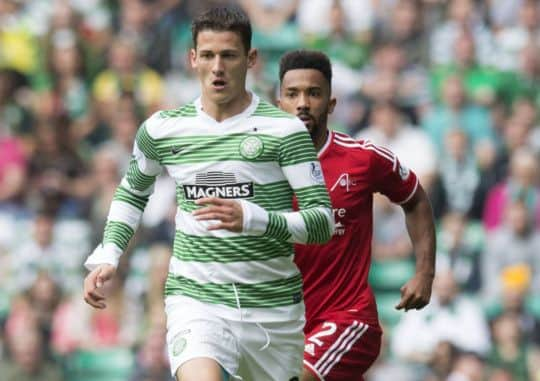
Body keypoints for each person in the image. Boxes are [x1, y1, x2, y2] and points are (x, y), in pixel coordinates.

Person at [82, 7, 334, 381]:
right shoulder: (162, 129)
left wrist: (252, 218)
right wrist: (110, 252)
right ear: (193, 58)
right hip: (196, 300)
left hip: (272, 310)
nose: (218, 66)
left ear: (250, 59)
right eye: (209, 55)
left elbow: (321, 223)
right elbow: (133, 193)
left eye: (229, 55)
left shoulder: (284, 131)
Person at [278, 50, 436, 381]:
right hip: (284, 324)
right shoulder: (260, 168)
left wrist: (425, 273)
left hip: (348, 315)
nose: (303, 102)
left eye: (314, 93)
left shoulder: (363, 158)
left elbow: (416, 199)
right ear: (280, 102)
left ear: (332, 104)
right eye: (293, 94)